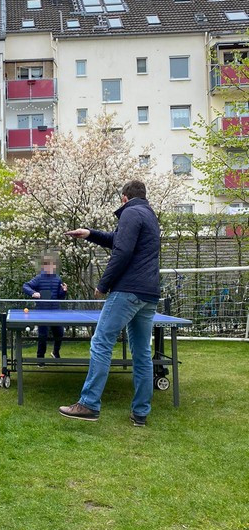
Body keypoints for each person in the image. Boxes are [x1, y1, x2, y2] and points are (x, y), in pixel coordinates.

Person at [59, 180, 160, 427]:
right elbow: (118, 240)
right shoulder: (148, 215)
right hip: (148, 294)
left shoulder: (130, 212)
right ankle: (140, 413)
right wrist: (90, 234)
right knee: (142, 354)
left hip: (127, 291)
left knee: (101, 342)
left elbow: (122, 251)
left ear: (124, 197)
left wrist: (103, 284)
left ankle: (89, 405)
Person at [22, 252, 68, 361]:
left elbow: (60, 297)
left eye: (51, 265)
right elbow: (25, 286)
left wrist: (64, 291)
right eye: (47, 265)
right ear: (44, 266)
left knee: (59, 333)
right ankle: (40, 359)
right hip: (42, 312)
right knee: (43, 336)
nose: (49, 267)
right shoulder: (39, 278)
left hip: (55, 311)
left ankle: (55, 352)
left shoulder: (58, 279)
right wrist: (33, 293)